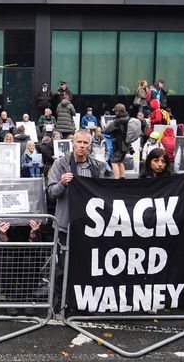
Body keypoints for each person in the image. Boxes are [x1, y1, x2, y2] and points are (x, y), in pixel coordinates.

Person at [47, 129, 107, 305]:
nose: (82, 146)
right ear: (73, 143)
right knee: (62, 266)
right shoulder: (60, 164)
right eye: (79, 142)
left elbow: (105, 192)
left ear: (90, 145)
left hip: (90, 226)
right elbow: (51, 193)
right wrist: (62, 183)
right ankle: (59, 300)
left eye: (85, 143)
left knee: (87, 265)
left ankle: (81, 301)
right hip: (66, 224)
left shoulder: (97, 166)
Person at [104, 103, 130, 179]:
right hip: (125, 145)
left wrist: (101, 130)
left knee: (114, 162)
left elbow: (107, 130)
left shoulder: (118, 121)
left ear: (119, 111)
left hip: (119, 144)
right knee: (120, 161)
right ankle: (122, 178)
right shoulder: (127, 119)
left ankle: (117, 180)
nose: (115, 113)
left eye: (116, 111)